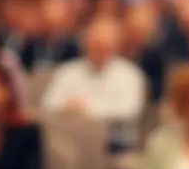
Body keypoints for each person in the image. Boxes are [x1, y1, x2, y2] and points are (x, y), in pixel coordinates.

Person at [41, 17, 147, 152]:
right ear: (85, 44)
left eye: (106, 46)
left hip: (113, 142)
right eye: (96, 45)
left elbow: (128, 111)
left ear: (116, 47)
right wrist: (67, 106)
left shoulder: (130, 74)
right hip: (71, 139)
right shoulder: (67, 72)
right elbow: (47, 105)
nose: (100, 50)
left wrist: (87, 109)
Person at [123, 1, 168, 104]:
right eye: (134, 29)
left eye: (141, 30)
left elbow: (158, 89)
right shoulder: (115, 51)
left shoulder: (155, 57)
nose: (137, 34)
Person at [22, 0, 80, 71]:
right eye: (47, 13)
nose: (50, 19)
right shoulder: (30, 43)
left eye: (56, 13)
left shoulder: (71, 46)